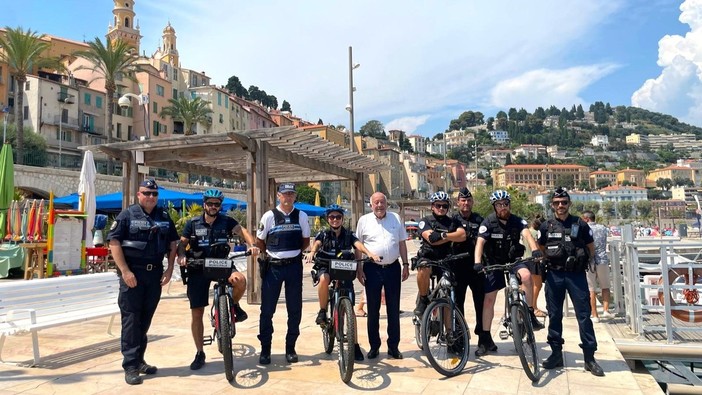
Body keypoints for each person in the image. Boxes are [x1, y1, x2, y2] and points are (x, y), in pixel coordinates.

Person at [178, 188, 260, 370]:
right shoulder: (192, 223)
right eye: (210, 203)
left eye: (217, 204)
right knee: (197, 311)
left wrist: (252, 245)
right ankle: (199, 352)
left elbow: (243, 231)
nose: (213, 207)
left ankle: (233, 305)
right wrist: (181, 255)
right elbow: (182, 244)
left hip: (221, 264)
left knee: (240, 280)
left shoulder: (226, 221)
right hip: (198, 267)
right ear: (204, 204)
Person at [107, 179, 179, 385]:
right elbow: (114, 242)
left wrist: (170, 268)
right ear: (138, 194)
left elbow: (172, 243)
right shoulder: (127, 215)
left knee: (145, 320)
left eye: (154, 194)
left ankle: (139, 360)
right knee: (131, 320)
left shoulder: (164, 216)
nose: (151, 197)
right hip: (133, 275)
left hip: (154, 275)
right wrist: (125, 271)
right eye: (146, 193)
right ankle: (130, 366)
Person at [537, 187, 604, 377]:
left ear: (569, 204)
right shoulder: (546, 226)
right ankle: (556, 353)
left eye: (564, 202)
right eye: (557, 203)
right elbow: (541, 247)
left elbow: (591, 248)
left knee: (584, 315)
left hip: (576, 276)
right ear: (552, 205)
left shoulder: (580, 224)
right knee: (554, 314)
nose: (561, 205)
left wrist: (581, 261)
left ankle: (589, 358)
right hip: (555, 275)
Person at [305, 204, 381, 362]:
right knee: (324, 279)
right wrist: (312, 252)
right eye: (332, 217)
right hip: (325, 264)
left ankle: (354, 345)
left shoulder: (348, 234)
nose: (335, 220)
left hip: (343, 268)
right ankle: (322, 310)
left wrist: (370, 253)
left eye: (338, 217)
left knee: (350, 310)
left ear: (342, 219)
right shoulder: (324, 234)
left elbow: (358, 244)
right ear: (328, 219)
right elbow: (317, 243)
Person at [473, 189, 544, 357]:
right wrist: (477, 262)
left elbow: (527, 234)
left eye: (505, 204)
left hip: (513, 260)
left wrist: (535, 250)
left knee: (526, 276)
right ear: (494, 207)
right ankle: (485, 338)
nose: (503, 207)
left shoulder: (517, 220)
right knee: (489, 300)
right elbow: (480, 243)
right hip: (494, 263)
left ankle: (529, 312)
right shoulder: (488, 222)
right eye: (499, 205)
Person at [256, 183, 311, 365]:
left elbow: (305, 241)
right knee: (267, 310)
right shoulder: (269, 216)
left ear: (295, 197)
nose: (288, 197)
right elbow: (260, 241)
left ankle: (290, 348)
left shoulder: (301, 216)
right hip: (274, 268)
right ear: (278, 196)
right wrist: (272, 255)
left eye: (291, 194)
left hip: (294, 267)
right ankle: (265, 349)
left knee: (294, 309)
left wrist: (292, 254)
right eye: (285, 194)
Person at [355, 192, 410, 360]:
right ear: (371, 205)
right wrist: (359, 267)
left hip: (393, 268)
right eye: (376, 203)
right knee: (373, 310)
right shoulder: (363, 221)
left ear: (386, 204)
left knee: (393, 309)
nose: (379, 205)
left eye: (382, 202)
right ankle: (374, 346)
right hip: (372, 269)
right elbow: (358, 246)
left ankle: (393, 347)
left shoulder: (395, 218)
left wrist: (406, 265)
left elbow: (401, 243)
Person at [414, 191, 466, 317]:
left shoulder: (453, 221)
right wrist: (452, 237)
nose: (441, 208)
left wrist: (443, 235)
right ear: (432, 206)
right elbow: (432, 240)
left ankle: (448, 333)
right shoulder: (425, 221)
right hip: (429, 257)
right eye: (438, 205)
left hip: (446, 260)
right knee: (423, 268)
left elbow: (463, 235)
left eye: (445, 206)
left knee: (448, 296)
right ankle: (423, 299)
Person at [451, 187, 486, 338]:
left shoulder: (479, 219)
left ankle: (484, 337)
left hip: (476, 267)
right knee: (458, 304)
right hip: (458, 267)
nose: (466, 203)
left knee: (481, 304)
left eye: (468, 200)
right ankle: (460, 338)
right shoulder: (453, 220)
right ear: (458, 202)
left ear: (472, 202)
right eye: (463, 200)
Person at [581, 210, 612, 322]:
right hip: (602, 259)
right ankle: (606, 310)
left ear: (586, 219)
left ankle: (595, 315)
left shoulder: (584, 229)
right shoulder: (603, 228)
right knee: (605, 286)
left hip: (590, 261)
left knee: (591, 289)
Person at [527, 217, 547, 318]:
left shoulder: (526, 231)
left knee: (529, 286)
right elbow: (538, 247)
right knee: (537, 285)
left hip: (525, 260)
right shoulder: (536, 233)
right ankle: (534, 308)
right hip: (534, 261)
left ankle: (530, 307)